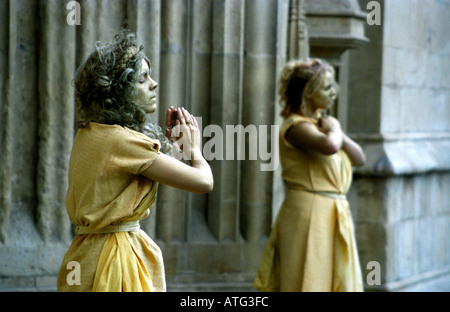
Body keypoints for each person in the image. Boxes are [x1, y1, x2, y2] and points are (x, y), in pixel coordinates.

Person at [57, 29, 213, 292]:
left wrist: (172, 149)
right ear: (119, 90)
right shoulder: (122, 141)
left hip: (85, 256)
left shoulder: (91, 133)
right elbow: (203, 181)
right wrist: (193, 150)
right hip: (116, 262)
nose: (154, 84)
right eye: (142, 78)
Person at [253, 58, 366, 292]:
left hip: (332, 212)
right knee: (308, 280)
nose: (334, 91)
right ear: (307, 93)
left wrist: (339, 133)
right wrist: (335, 131)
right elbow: (330, 146)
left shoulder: (324, 126)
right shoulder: (296, 127)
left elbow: (359, 158)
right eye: (327, 87)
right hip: (309, 214)